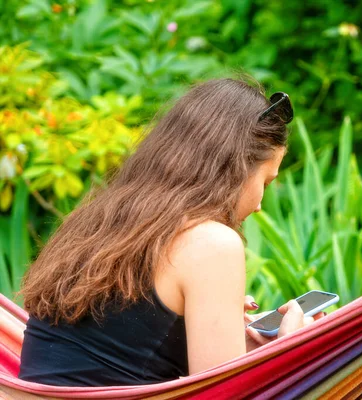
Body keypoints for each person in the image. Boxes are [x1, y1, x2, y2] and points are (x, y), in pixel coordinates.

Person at [17, 77, 324, 386]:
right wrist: (290, 349)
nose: (259, 205)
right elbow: (225, 394)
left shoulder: (97, 222)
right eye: (266, 183)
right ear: (236, 169)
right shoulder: (212, 243)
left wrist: (210, 323)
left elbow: (109, 355)